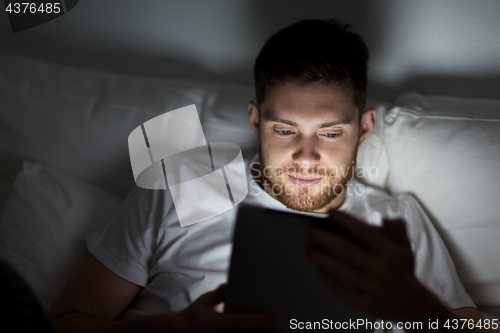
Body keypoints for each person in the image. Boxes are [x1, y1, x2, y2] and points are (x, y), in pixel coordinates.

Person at [47, 18, 490, 332]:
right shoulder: (184, 182)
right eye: (285, 130)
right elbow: (67, 320)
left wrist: (412, 307)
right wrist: (173, 329)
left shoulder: (396, 220)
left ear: (365, 129)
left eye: (331, 133)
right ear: (256, 122)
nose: (306, 156)